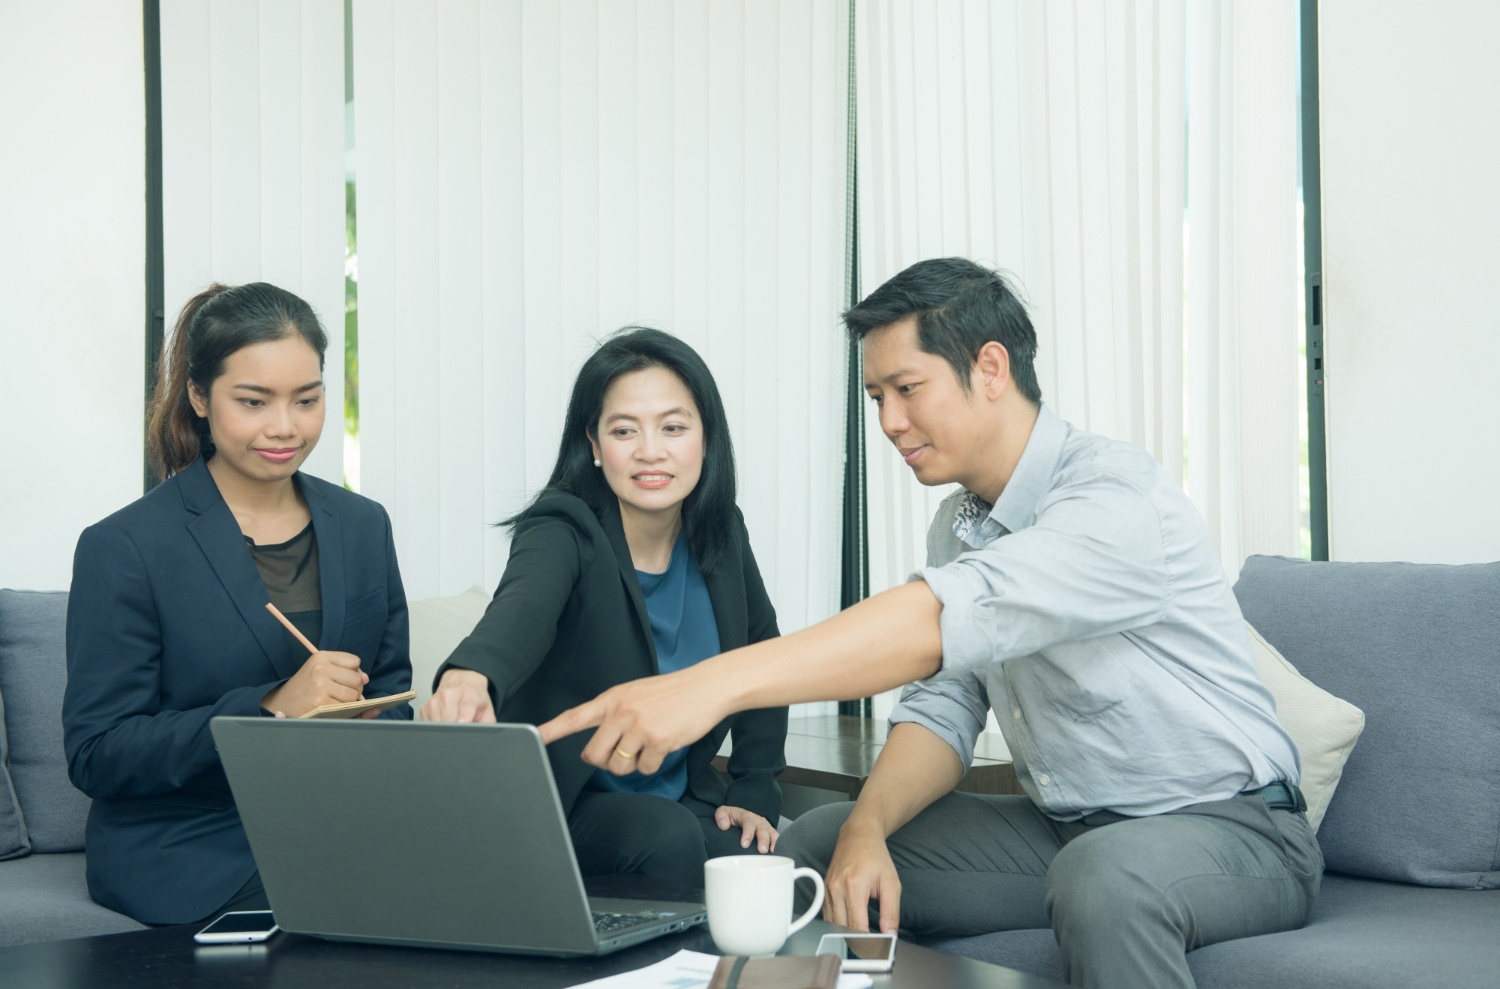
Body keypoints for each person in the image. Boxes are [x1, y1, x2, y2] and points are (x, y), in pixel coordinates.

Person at [539, 259, 1323, 989]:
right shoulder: (960, 524)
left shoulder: (1113, 501)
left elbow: (942, 617)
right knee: (815, 843)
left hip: (1239, 828)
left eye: (907, 388)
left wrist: (705, 688)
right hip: (1068, 827)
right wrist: (867, 827)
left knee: (1106, 877)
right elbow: (945, 705)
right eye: (877, 397)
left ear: (989, 367)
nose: (889, 420)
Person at [62, 282, 413, 926]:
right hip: (193, 843)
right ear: (200, 397)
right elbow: (98, 752)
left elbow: (392, 691)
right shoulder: (125, 547)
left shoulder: (364, 525)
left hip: (338, 823)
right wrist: (272, 710)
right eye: (253, 402)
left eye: (307, 401)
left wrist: (372, 720)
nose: (285, 427)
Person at [420, 327, 787, 889]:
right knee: (667, 839)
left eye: (673, 427)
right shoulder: (561, 525)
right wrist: (473, 675)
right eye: (624, 430)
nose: (650, 451)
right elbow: (523, 606)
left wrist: (754, 792)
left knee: (761, 864)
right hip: (564, 798)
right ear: (593, 444)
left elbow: (764, 659)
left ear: (705, 437)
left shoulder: (721, 531)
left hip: (676, 795)